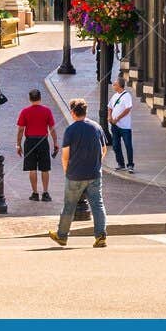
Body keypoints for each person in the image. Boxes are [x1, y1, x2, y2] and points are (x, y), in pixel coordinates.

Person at [49, 98, 107, 248]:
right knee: (97, 205)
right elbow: (104, 149)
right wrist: (96, 162)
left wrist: (67, 171)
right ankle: (100, 236)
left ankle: (62, 236)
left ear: (73, 112)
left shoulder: (70, 130)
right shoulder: (96, 127)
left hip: (75, 174)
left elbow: (65, 155)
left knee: (69, 206)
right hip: (94, 173)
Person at [17, 88, 57, 201]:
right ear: (40, 98)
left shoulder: (25, 111)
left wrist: (18, 144)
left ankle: (35, 193)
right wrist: (55, 143)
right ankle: (45, 192)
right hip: (43, 141)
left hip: (30, 141)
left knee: (32, 168)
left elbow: (20, 129)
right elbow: (52, 128)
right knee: (45, 168)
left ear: (30, 99)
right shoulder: (47, 111)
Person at [108, 78, 135, 173]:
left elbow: (128, 109)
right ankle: (121, 164)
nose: (113, 86)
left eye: (114, 84)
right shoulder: (115, 96)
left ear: (119, 85)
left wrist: (118, 118)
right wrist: (109, 117)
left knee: (128, 145)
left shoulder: (127, 96)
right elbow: (110, 107)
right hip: (115, 126)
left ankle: (130, 165)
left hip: (125, 127)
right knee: (115, 145)